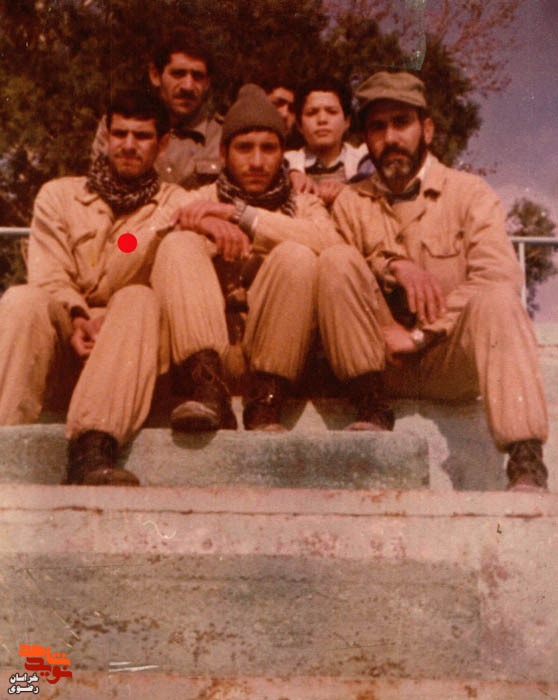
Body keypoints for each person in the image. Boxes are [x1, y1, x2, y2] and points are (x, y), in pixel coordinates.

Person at [321, 70, 549, 491]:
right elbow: (342, 275)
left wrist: (421, 336)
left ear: (426, 129)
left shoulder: (469, 193)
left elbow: (497, 273)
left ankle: (526, 458)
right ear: (365, 138)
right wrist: (392, 266)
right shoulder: (350, 202)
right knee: (335, 260)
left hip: (448, 358)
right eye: (377, 127)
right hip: (379, 361)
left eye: (401, 123)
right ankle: (370, 406)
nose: (390, 137)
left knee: (499, 297)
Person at [0, 89, 191, 486]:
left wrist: (104, 317)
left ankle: (92, 449)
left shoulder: (174, 203)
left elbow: (125, 256)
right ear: (105, 135)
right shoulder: (59, 196)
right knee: (22, 299)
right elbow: (50, 272)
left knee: (138, 298)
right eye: (119, 133)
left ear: (162, 144)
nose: (128, 145)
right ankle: (5, 439)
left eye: (141, 136)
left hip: (131, 352)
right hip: (67, 340)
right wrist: (77, 317)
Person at [154, 83, 341, 432]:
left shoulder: (304, 204)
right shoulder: (194, 198)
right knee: (177, 243)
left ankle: (266, 403)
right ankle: (208, 390)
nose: (257, 161)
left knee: (297, 254)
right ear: (224, 153)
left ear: (283, 154)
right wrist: (189, 225)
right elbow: (127, 243)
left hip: (274, 358)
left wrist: (243, 216)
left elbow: (331, 244)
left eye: (268, 148)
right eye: (244, 148)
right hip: (205, 354)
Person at [92, 27, 222, 189]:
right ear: (155, 75)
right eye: (178, 74)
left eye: (197, 76)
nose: (188, 86)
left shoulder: (221, 137)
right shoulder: (118, 128)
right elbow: (101, 186)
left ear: (207, 82)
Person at [285, 76, 372, 206]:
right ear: (299, 125)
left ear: (347, 121)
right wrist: (291, 175)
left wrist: (349, 191)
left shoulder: (364, 162)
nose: (322, 119)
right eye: (312, 113)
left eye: (332, 112)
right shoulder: (287, 163)